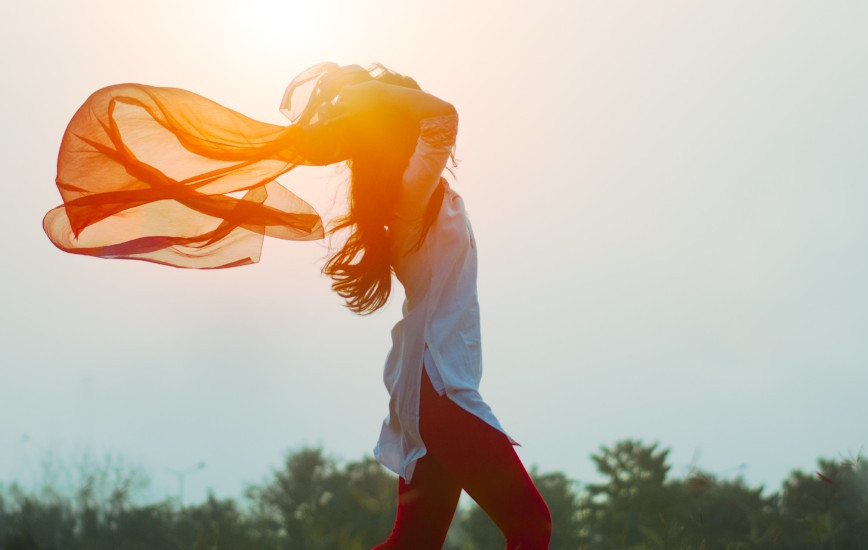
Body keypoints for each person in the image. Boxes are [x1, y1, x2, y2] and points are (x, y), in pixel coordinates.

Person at [43, 62, 552, 549]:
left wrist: (372, 98)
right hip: (437, 386)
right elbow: (442, 116)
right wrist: (373, 97)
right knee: (531, 525)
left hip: (429, 387)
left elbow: (431, 118)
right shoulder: (410, 191)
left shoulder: (405, 194)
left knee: (413, 544)